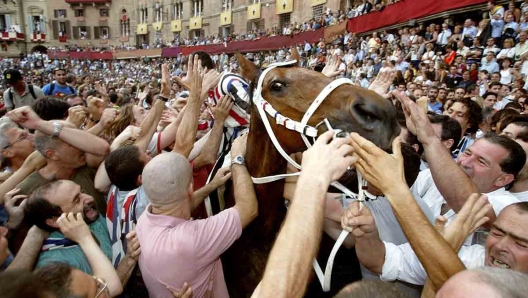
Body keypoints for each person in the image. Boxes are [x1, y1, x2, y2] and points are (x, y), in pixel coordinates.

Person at [7, 106, 114, 213]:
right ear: (52, 154)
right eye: (73, 143)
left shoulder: (87, 163)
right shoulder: (26, 190)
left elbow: (102, 148)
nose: (81, 146)